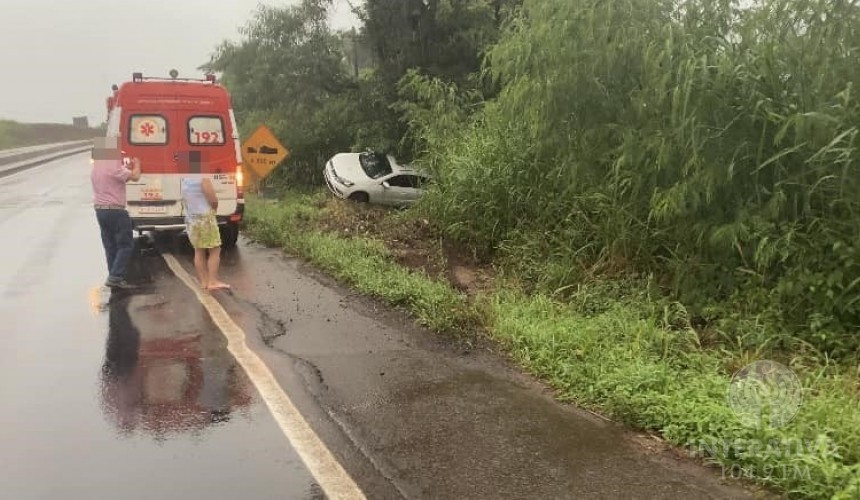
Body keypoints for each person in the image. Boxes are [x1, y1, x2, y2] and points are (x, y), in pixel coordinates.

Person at [91, 137, 141, 289]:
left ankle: (114, 276)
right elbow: (136, 176)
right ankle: (115, 276)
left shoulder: (96, 170)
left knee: (110, 245)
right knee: (125, 244)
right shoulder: (114, 168)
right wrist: (137, 164)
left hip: (100, 210)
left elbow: (116, 181)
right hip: (116, 211)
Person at [181, 176, 229, 291]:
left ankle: (204, 281)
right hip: (205, 219)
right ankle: (213, 281)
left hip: (192, 219)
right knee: (215, 249)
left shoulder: (186, 179)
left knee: (199, 250)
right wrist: (215, 208)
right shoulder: (203, 179)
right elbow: (213, 200)